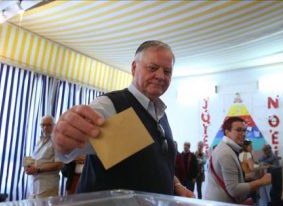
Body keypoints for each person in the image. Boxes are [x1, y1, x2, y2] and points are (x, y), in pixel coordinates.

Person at [52, 40, 192, 197]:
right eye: (152, 68)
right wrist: (63, 137)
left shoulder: (160, 113)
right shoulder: (111, 105)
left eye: (167, 72)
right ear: (134, 68)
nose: (160, 76)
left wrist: (176, 185)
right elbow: (70, 147)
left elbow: (153, 164)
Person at [203, 117, 271, 204]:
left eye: (244, 130)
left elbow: (231, 176)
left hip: (220, 203)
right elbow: (234, 189)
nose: (243, 134)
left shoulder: (228, 149)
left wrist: (251, 177)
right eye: (238, 130)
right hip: (222, 205)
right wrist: (262, 181)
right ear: (227, 132)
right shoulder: (226, 153)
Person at [25, 116, 64, 198]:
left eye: (49, 125)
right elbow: (35, 158)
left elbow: (59, 164)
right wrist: (27, 166)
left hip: (47, 187)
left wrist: (38, 169)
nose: (45, 128)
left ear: (55, 125)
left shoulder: (58, 141)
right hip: (33, 186)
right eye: (43, 125)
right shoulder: (39, 141)